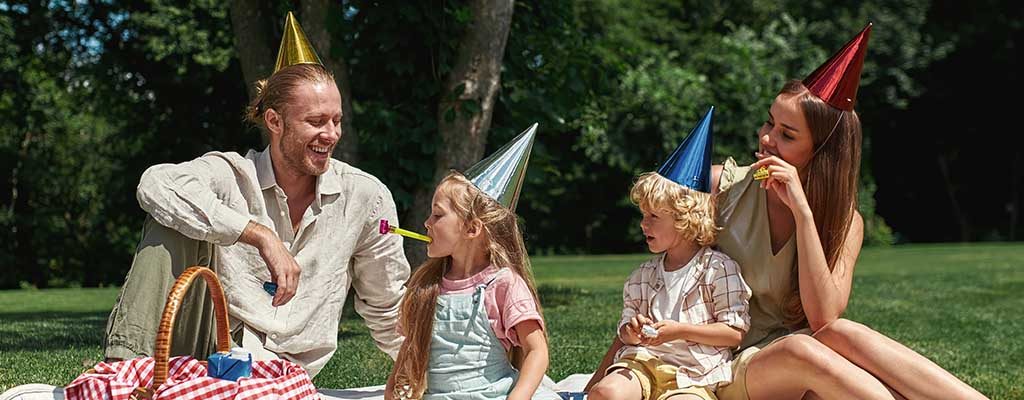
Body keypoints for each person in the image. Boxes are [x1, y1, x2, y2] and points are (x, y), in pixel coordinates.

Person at [588, 24, 987, 399]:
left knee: (844, 333)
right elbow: (660, 283)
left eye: (786, 134)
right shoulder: (721, 187)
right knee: (804, 351)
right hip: (717, 364)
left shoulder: (845, 221)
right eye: (769, 123)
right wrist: (601, 378)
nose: (766, 139)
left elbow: (825, 319)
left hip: (784, 363)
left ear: (822, 153)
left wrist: (803, 212)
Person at [102, 13, 410, 378]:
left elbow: (387, 306)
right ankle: (122, 375)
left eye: (336, 120)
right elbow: (156, 184)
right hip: (205, 350)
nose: (331, 134)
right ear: (275, 122)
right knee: (170, 221)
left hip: (284, 373)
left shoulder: (366, 197)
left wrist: (438, 372)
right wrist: (257, 233)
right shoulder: (230, 173)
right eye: (315, 122)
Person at [385, 125, 560, 400]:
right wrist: (392, 393)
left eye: (437, 215)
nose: (426, 223)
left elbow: (537, 351)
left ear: (471, 228)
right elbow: (409, 348)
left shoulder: (502, 284)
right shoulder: (425, 285)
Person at [588, 107, 751, 400]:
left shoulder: (718, 269)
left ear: (684, 217)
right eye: (642, 215)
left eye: (653, 216)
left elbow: (734, 333)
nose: (643, 224)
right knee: (606, 393)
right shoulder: (643, 276)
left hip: (694, 374)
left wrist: (681, 331)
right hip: (642, 364)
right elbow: (625, 330)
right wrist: (632, 331)